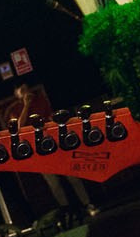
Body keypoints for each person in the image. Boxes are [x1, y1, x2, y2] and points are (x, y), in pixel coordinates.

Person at [11, 83, 94, 215]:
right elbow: (19, 127)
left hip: (53, 142)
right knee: (54, 184)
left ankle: (87, 204)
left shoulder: (40, 100)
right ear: (17, 95)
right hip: (38, 149)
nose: (26, 91)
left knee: (72, 176)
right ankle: (66, 210)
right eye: (22, 90)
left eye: (27, 88)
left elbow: (50, 116)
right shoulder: (15, 109)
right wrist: (26, 105)